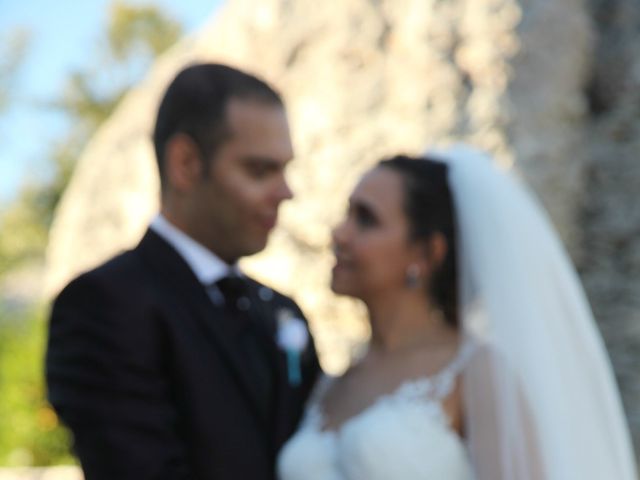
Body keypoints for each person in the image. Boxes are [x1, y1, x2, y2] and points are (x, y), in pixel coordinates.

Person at [277, 145, 637, 479]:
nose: (339, 234)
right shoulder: (332, 382)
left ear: (427, 253)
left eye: (366, 219)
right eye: (346, 214)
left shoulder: (475, 372)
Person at [46, 63, 321, 480]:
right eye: (259, 170)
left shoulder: (282, 311)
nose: (286, 192)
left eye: (285, 169)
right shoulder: (105, 304)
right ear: (186, 163)